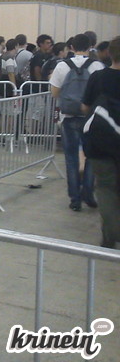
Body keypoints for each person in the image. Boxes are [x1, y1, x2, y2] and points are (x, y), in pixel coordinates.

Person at [51, 34, 102, 212]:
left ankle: (75, 199)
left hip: (68, 116)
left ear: (71, 47)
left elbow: (54, 92)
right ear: (90, 46)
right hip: (90, 117)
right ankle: (88, 193)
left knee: (71, 158)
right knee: (90, 157)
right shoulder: (97, 66)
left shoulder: (62, 66)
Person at [82, 36, 120, 248]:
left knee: (105, 187)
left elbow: (85, 107)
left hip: (101, 142)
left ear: (110, 53)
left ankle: (110, 233)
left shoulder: (98, 77)